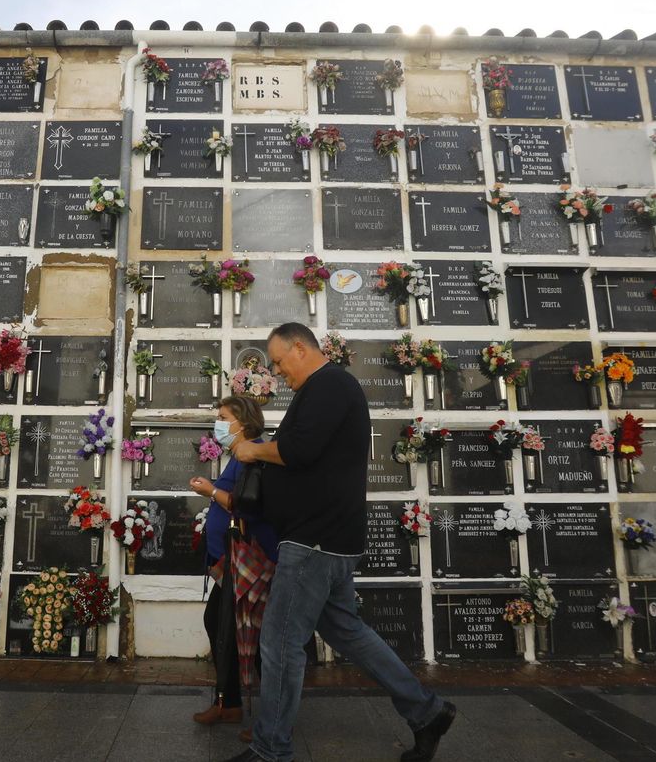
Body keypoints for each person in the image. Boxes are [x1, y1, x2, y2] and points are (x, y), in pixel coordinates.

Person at [221, 323, 456, 762]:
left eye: (279, 361)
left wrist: (254, 450)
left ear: (299, 348)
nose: (276, 371)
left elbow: (300, 450)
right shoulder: (324, 388)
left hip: (315, 540)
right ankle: (427, 712)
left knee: (280, 641)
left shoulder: (329, 385)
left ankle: (271, 750)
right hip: (326, 537)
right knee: (346, 630)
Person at [189, 396, 279, 736]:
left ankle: (271, 720)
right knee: (222, 625)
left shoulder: (254, 455)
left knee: (253, 635)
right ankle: (228, 703)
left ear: (243, 422)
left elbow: (249, 506)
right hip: (229, 561)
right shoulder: (240, 455)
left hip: (247, 561)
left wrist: (212, 492)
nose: (219, 423)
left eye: (224, 417)